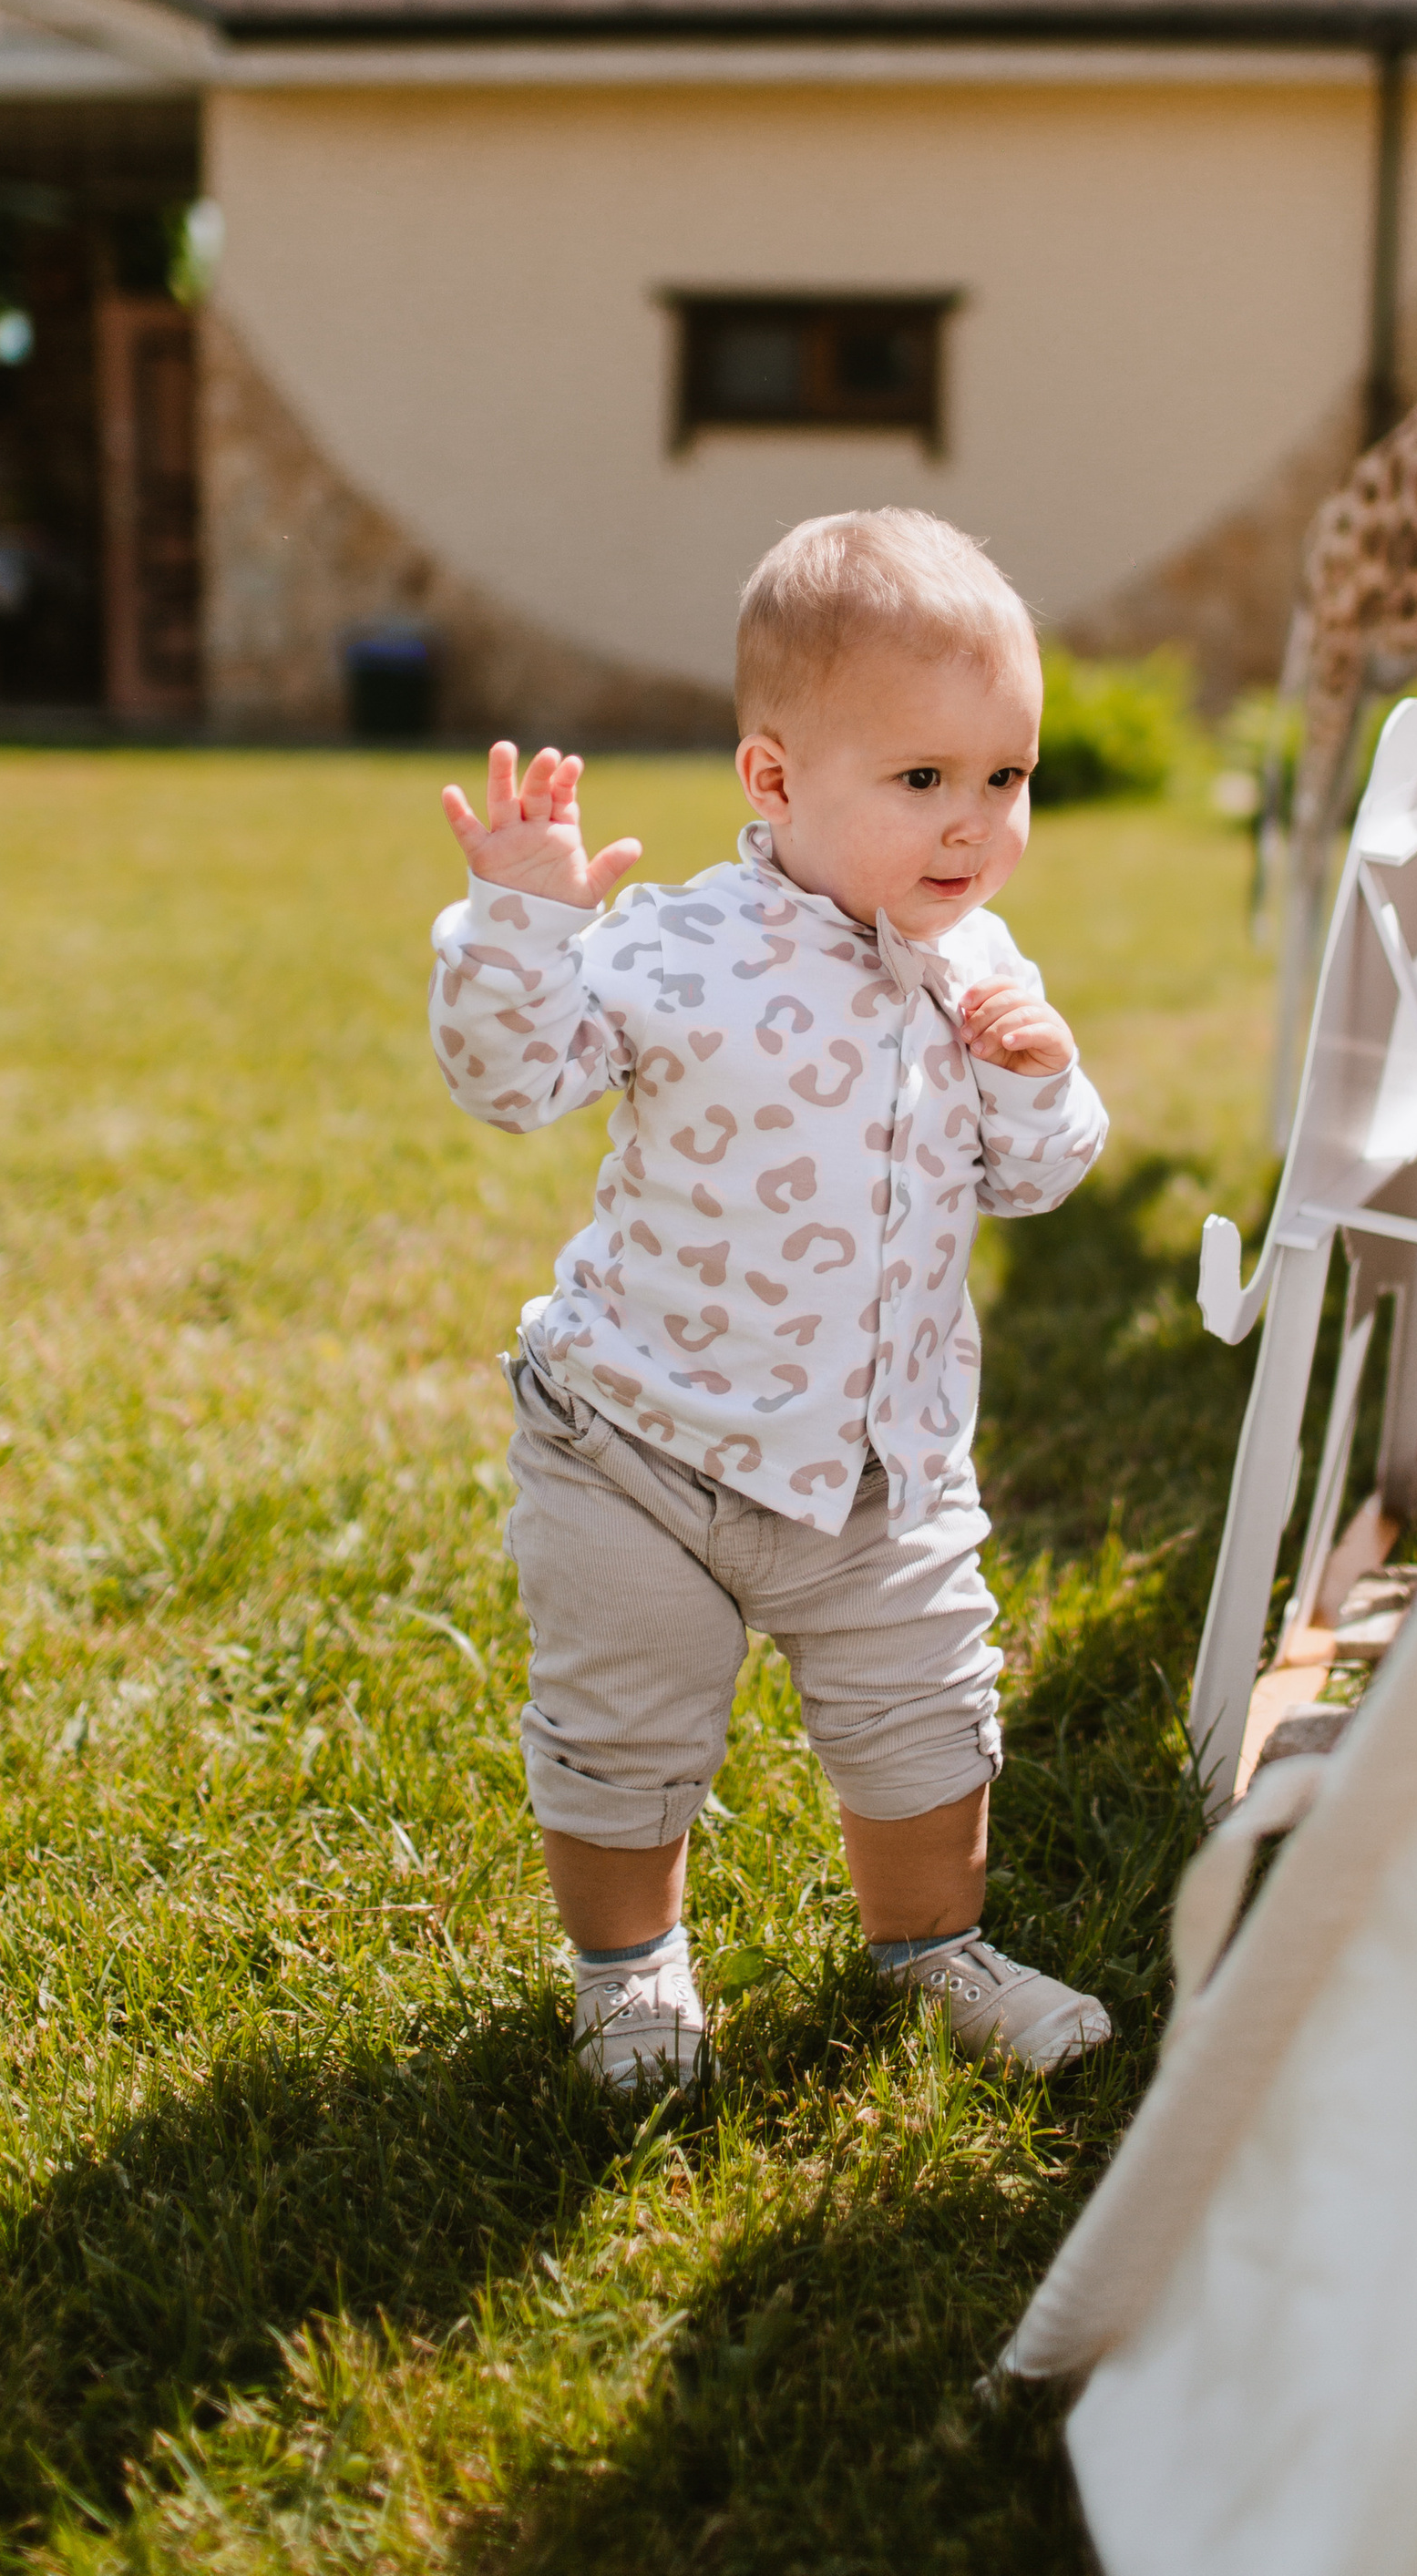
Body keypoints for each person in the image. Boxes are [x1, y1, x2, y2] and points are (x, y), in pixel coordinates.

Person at [430, 507, 1114, 2092]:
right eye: (924, 780)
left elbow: (1041, 1176)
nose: (973, 825)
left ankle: (935, 1951)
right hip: (639, 1449)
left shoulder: (979, 965)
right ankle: (627, 1971)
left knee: (931, 1721)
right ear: (776, 777)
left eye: (1004, 778)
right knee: (621, 1732)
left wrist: (1041, 1075)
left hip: (879, 1471)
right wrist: (521, 926)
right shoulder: (676, 949)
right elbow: (516, 1080)